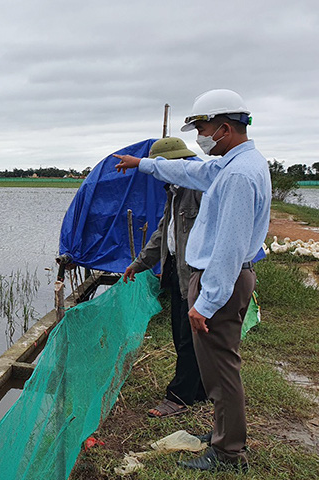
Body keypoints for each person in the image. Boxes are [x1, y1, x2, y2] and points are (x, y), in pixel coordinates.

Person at [114, 89, 271, 473]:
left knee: (221, 372)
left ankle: (228, 453)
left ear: (222, 127)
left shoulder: (237, 176)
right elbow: (191, 170)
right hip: (222, 278)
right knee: (219, 368)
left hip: (222, 279)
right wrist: (143, 164)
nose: (200, 136)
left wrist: (207, 301)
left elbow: (229, 249)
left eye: (201, 127)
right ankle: (223, 435)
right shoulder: (238, 164)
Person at [122, 137, 206, 418]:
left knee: (188, 338)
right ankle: (199, 390)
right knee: (183, 335)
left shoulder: (198, 189)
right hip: (176, 271)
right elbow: (163, 234)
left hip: (196, 275)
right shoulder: (175, 191)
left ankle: (180, 397)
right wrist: (139, 264)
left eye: (160, 167)